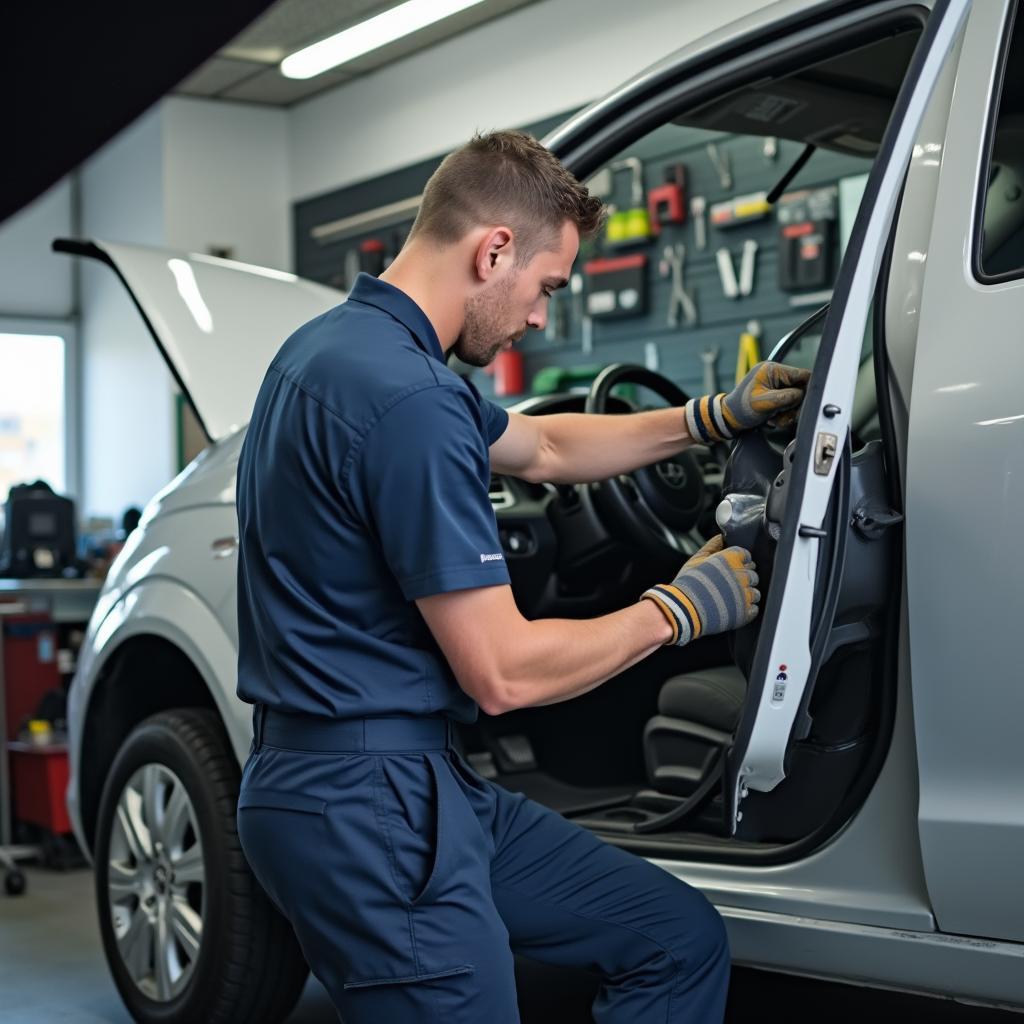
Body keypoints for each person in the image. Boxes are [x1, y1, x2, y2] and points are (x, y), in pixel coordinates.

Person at [234, 129, 810, 1023]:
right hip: (371, 807)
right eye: (545, 287)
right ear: (493, 249)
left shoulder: (334, 353)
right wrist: (678, 610)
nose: (540, 316)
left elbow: (541, 445)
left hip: (386, 785)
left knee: (673, 938)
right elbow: (502, 674)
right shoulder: (412, 400)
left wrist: (707, 417)